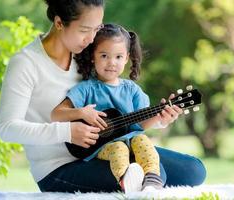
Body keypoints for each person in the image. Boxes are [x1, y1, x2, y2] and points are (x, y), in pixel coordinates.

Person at [0, 0, 206, 193]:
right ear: (59, 23)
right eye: (85, 30)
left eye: (96, 29)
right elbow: (7, 129)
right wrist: (67, 132)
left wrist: (160, 119)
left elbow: (117, 103)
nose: (91, 39)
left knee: (193, 170)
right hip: (59, 168)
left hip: (110, 145)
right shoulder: (26, 64)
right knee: (147, 171)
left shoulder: (87, 55)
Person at [51, 23, 170, 193]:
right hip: (102, 147)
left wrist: (160, 117)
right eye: (104, 55)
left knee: (143, 140)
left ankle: (152, 182)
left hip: (134, 142)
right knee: (118, 148)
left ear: (127, 58)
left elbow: (141, 125)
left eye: (118, 57)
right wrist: (82, 112)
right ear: (93, 56)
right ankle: (126, 182)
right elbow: (56, 114)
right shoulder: (86, 89)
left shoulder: (132, 90)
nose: (112, 63)